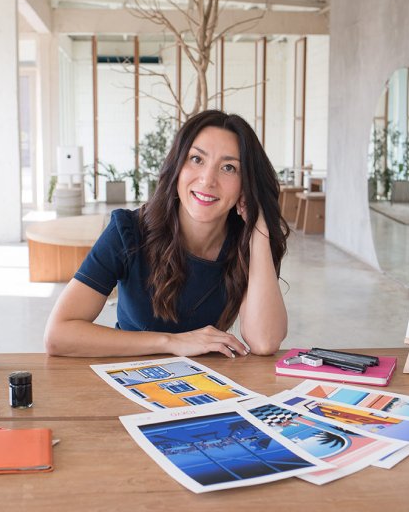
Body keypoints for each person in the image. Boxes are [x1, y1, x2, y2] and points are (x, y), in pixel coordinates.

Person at [44, 110, 289, 358]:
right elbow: (58, 335)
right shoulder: (128, 231)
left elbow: (264, 342)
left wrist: (258, 225)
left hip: (208, 384)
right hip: (131, 376)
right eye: (197, 159)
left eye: (228, 167)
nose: (207, 180)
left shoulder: (250, 242)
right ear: (177, 166)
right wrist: (171, 342)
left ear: (246, 183)